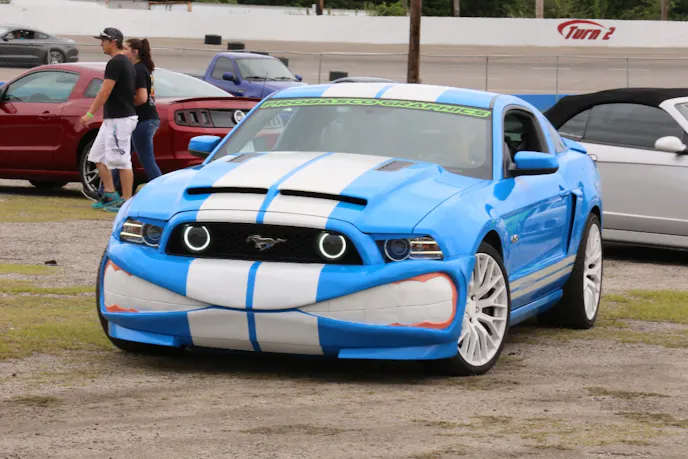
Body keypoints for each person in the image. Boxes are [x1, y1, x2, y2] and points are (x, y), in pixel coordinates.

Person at [80, 27, 137, 212]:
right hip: (112, 119)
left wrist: (90, 114)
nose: (101, 44)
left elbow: (105, 90)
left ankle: (126, 202)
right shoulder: (124, 62)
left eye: (103, 41)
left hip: (120, 119)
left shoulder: (116, 63)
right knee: (96, 156)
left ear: (113, 42)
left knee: (122, 161)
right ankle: (110, 194)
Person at [124, 38, 162, 181]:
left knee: (147, 161)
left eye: (125, 49)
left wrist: (124, 105)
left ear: (135, 52)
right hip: (143, 120)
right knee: (121, 157)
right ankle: (107, 190)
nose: (123, 51)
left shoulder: (139, 70)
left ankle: (161, 189)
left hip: (144, 121)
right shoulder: (141, 68)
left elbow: (142, 98)